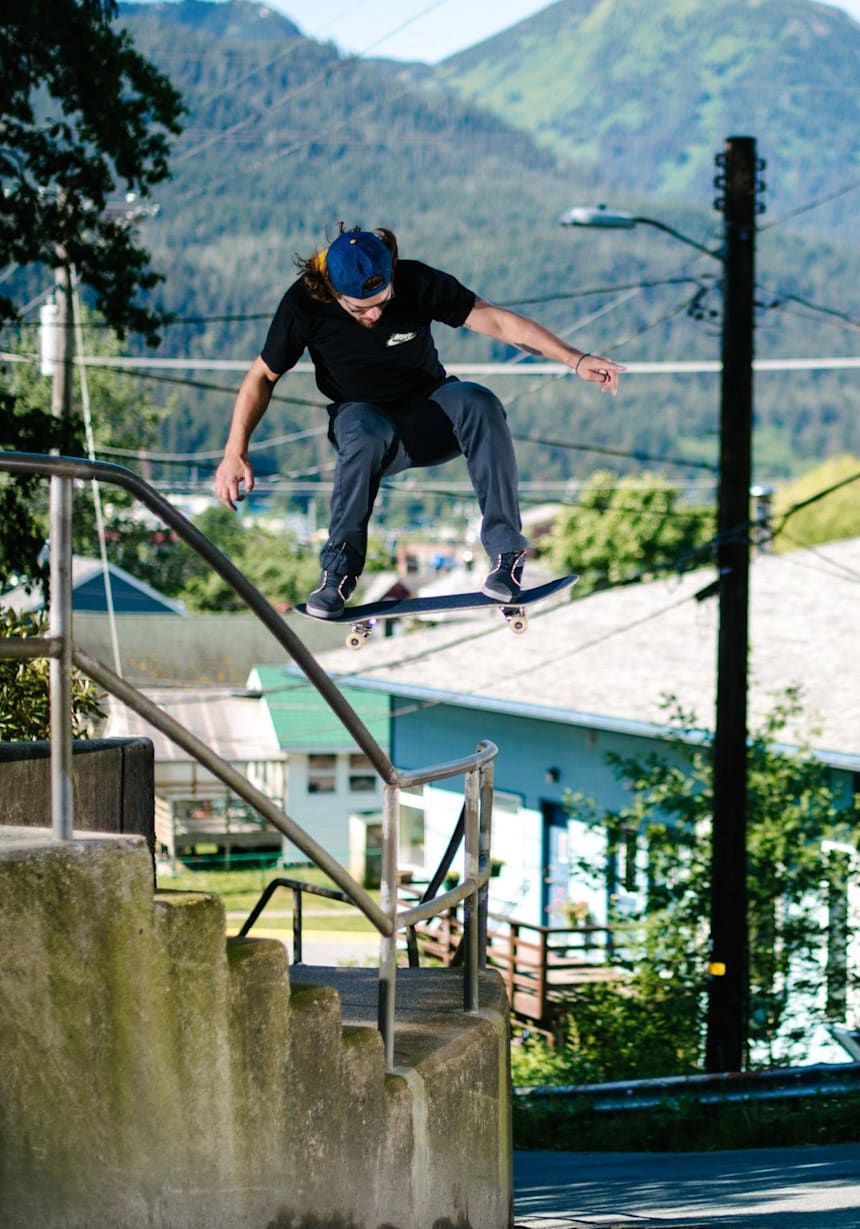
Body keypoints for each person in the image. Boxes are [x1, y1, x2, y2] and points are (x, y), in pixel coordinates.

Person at [214, 225, 624, 618]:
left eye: (382, 302)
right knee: (362, 429)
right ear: (333, 293)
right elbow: (262, 376)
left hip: (431, 414)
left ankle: (506, 555)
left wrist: (576, 359)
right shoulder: (304, 303)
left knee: (479, 402)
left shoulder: (416, 281)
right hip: (366, 423)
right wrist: (236, 451)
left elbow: (497, 321)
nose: (374, 315)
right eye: (360, 309)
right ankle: (337, 574)